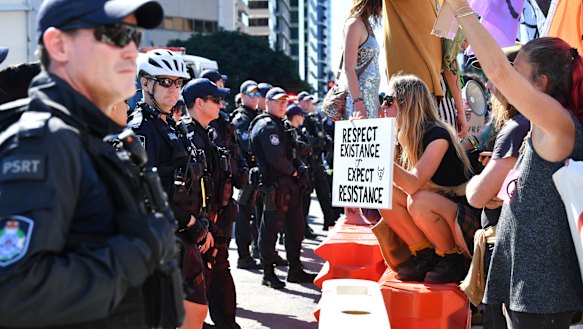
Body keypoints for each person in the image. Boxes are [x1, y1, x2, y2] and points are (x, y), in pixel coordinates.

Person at [0, 1, 183, 328]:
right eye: (115, 33)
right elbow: (14, 293)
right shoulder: (46, 143)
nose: (131, 50)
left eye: (134, 36)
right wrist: (140, 250)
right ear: (58, 45)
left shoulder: (89, 137)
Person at [447, 1, 583, 327]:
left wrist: (462, 11)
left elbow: (496, 70)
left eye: (516, 72)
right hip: (531, 290)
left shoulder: (559, 124)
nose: (501, 82)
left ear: (542, 83)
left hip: (544, 295)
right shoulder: (543, 125)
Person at [129, 49, 209, 329]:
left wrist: (200, 222)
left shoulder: (172, 125)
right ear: (145, 83)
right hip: (162, 240)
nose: (173, 89)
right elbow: (144, 193)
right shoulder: (140, 131)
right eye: (165, 81)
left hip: (186, 237)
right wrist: (189, 222)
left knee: (196, 314)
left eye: (178, 82)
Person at [377, 74, 480, 284]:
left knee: (418, 201)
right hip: (438, 205)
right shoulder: (403, 135)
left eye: (388, 101)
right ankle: (425, 255)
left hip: (462, 211)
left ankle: (452, 258)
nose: (383, 106)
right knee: (383, 193)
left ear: (406, 103)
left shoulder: (437, 134)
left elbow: (413, 184)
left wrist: (381, 152)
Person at [181, 78, 240, 329]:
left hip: (216, 224)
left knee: (221, 285)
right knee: (197, 293)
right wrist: (201, 226)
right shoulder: (187, 137)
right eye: (215, 100)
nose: (220, 104)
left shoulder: (210, 133)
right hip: (199, 229)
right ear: (198, 103)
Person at [249, 87, 317, 289]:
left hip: (289, 186)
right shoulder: (266, 126)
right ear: (267, 102)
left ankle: (295, 270)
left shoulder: (282, 125)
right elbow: (276, 158)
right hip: (275, 186)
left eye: (284, 102)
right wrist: (295, 172)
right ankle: (268, 273)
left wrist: (299, 168)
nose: (282, 105)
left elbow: (291, 152)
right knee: (270, 231)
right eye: (278, 101)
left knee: (296, 230)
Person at [231, 80, 263, 270]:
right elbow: (247, 144)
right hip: (246, 174)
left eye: (257, 94)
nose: (255, 97)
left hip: (258, 173)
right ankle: (244, 256)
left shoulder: (255, 116)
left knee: (259, 214)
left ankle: (257, 249)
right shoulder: (241, 118)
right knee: (244, 216)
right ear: (242, 96)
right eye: (251, 94)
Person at [297, 91, 336, 231]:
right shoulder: (296, 116)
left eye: (310, 101)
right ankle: (304, 227)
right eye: (306, 101)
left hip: (317, 161)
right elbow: (304, 142)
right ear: (299, 102)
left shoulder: (314, 118)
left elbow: (324, 140)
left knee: (324, 193)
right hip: (305, 163)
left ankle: (330, 222)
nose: (309, 104)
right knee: (305, 197)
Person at [342, 0, 382, 119]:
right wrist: (359, 105)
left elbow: (371, 68)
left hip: (370, 100)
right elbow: (349, 68)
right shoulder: (354, 24)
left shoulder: (365, 25)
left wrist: (377, 103)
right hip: (359, 101)